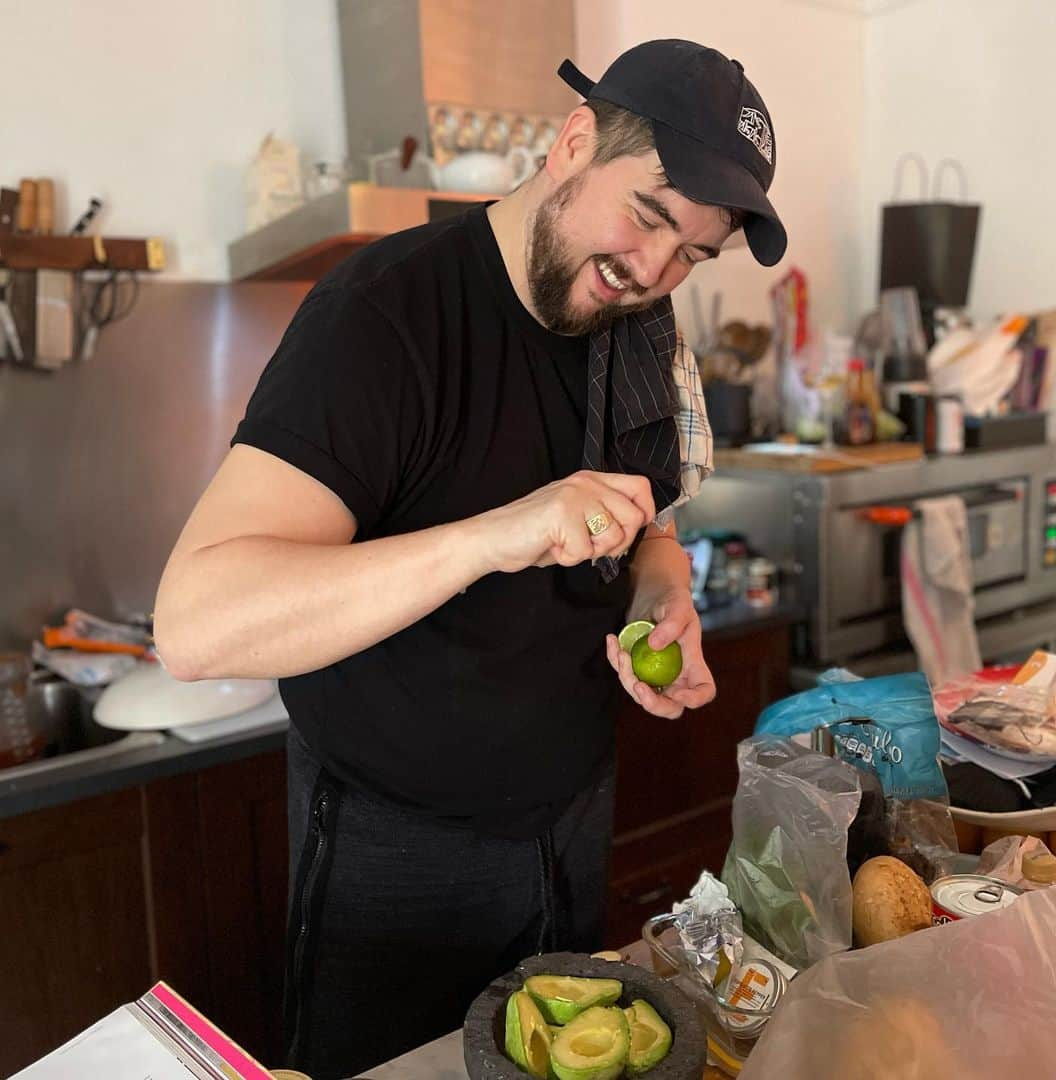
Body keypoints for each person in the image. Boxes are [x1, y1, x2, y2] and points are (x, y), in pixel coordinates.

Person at [154, 38, 786, 1080]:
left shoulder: (640, 323)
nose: (658, 272)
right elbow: (195, 623)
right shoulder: (383, 318)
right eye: (651, 218)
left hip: (571, 820)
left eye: (693, 255)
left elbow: (651, 525)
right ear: (572, 141)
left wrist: (662, 594)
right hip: (392, 851)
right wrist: (495, 534)